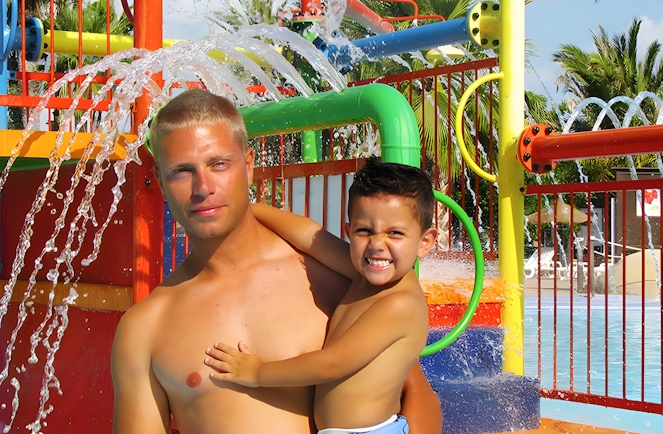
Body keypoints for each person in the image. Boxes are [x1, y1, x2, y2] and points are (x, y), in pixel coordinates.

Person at [110, 89, 443, 434]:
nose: (203, 187)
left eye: (219, 164)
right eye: (181, 171)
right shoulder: (145, 329)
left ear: (249, 165)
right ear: (162, 185)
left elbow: (415, 394)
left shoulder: (341, 279)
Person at [203, 157, 438, 434]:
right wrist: (248, 210)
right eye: (364, 231)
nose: (377, 244)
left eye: (395, 233)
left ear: (424, 242)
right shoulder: (363, 272)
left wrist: (257, 373)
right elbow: (308, 235)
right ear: (350, 231)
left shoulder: (400, 303)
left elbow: (332, 364)